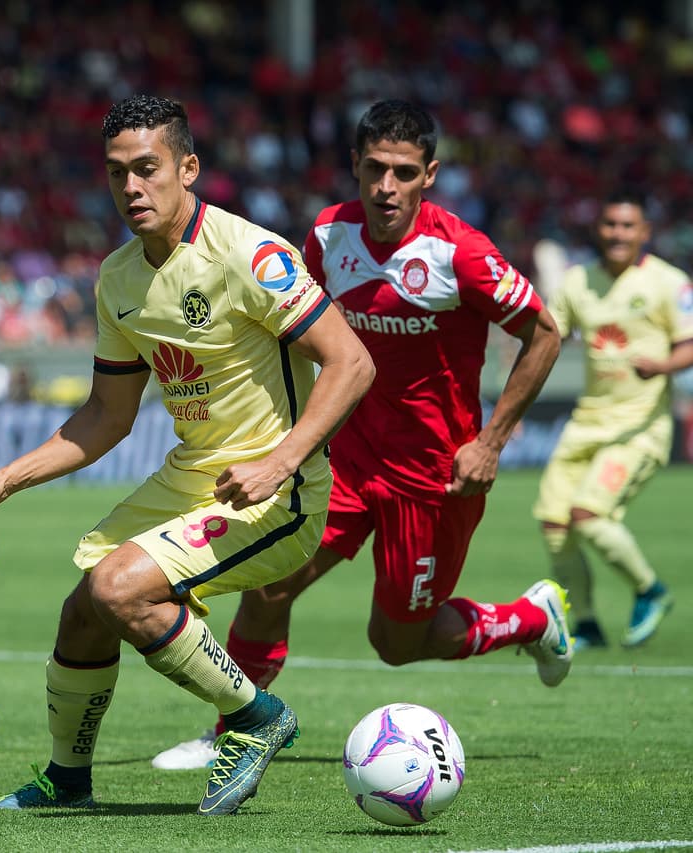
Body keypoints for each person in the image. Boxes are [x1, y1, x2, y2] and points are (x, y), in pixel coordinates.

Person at [0, 94, 376, 815]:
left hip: (282, 490)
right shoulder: (118, 279)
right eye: (118, 174)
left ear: (188, 168)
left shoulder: (249, 253)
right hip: (194, 479)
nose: (132, 188)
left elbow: (352, 362)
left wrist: (280, 460)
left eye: (148, 169)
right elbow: (107, 417)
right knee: (85, 607)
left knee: (119, 587)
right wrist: (3, 481)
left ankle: (256, 716)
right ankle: (68, 781)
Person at [151, 98, 571, 772]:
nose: (386, 187)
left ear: (429, 174)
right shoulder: (326, 236)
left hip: (434, 476)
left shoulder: (459, 252)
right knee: (269, 584)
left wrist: (490, 441)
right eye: (375, 168)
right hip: (344, 460)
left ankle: (529, 618)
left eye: (404, 172)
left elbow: (545, 332)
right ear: (354, 165)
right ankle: (238, 728)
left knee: (397, 642)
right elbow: (297, 328)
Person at [533, 191, 692, 649]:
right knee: (555, 525)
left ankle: (651, 591)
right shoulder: (577, 281)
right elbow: (549, 336)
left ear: (644, 232)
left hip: (640, 426)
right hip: (587, 422)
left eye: (627, 226)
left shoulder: (669, 283)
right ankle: (586, 625)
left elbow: (690, 341)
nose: (618, 234)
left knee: (588, 515)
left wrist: (662, 366)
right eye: (610, 225)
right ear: (598, 230)